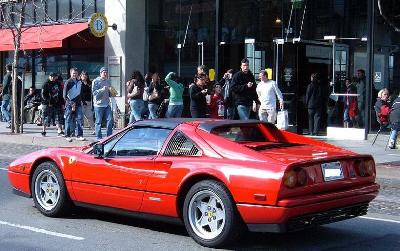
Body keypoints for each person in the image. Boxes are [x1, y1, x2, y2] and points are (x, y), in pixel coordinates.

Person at [63, 68, 85, 142]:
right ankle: (67, 135)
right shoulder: (68, 82)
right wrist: (71, 103)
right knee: (68, 120)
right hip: (70, 104)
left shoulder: (79, 82)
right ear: (70, 73)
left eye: (76, 73)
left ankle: (79, 135)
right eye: (73, 73)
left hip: (78, 103)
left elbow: (80, 93)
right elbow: (64, 96)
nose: (75, 75)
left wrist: (82, 101)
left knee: (79, 119)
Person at [92, 67, 113, 140]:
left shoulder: (108, 81)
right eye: (104, 72)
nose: (105, 74)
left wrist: (113, 92)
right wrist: (102, 89)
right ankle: (98, 137)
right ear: (100, 73)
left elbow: (111, 92)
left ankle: (109, 136)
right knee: (98, 121)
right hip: (98, 105)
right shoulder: (96, 81)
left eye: (106, 72)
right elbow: (94, 93)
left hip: (107, 104)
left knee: (110, 120)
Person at [41, 72, 64, 137]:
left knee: (58, 117)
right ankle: (43, 130)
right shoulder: (46, 84)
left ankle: (59, 130)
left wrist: (62, 103)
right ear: (49, 76)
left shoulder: (58, 83)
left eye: (54, 76)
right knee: (46, 117)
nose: (53, 78)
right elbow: (43, 95)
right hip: (48, 103)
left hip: (57, 103)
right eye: (51, 76)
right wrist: (48, 102)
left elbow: (60, 94)